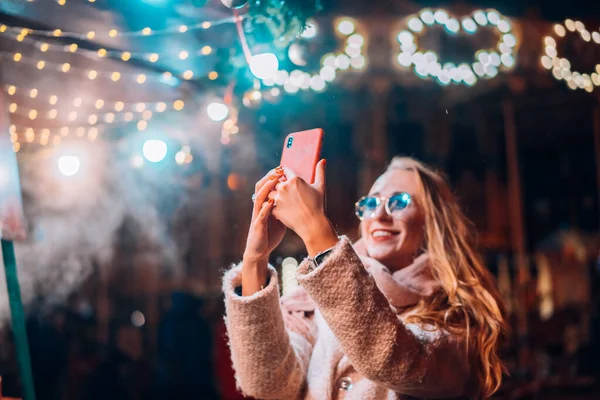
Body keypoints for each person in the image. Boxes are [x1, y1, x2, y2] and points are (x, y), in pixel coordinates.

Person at [223, 157, 505, 399]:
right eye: (371, 203)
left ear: (433, 221)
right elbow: (267, 384)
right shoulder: (314, 305)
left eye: (399, 202)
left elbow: (393, 361)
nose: (380, 214)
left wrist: (314, 229)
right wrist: (255, 259)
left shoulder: (454, 316)